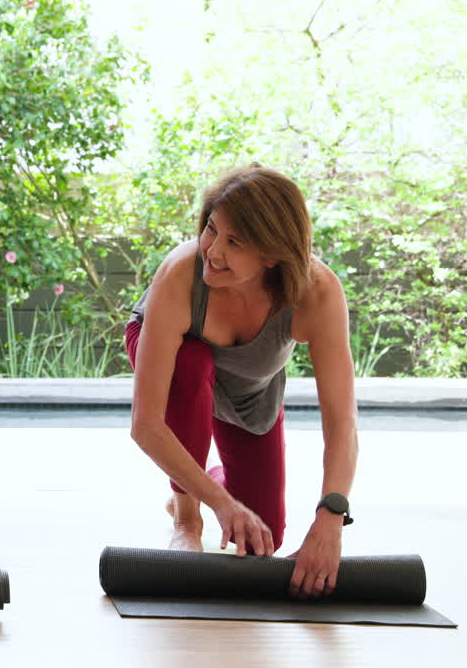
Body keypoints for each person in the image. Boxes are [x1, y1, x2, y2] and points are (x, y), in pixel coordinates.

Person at [126, 164, 359, 598]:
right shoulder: (180, 274)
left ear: (272, 253)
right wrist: (218, 503)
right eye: (211, 229)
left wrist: (331, 519)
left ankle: (207, 478)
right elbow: (146, 425)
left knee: (264, 536)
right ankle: (186, 514)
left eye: (234, 242)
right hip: (178, 364)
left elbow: (342, 422)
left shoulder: (318, 293)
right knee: (193, 366)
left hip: (252, 387)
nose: (212, 250)